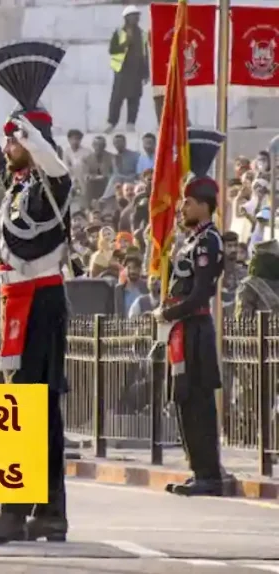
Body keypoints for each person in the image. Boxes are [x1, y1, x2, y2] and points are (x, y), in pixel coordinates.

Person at [0, 40, 73, 544]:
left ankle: (14, 511)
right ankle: (46, 512)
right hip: (17, 303)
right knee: (34, 411)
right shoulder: (19, 183)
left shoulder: (55, 181)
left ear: (33, 139)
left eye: (15, 139)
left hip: (41, 303)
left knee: (30, 410)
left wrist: (30, 125)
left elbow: (51, 160)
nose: (8, 148)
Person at [157, 129, 227, 497]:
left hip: (196, 327)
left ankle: (209, 474)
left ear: (203, 203)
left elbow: (202, 290)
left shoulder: (209, 241)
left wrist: (171, 313)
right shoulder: (191, 239)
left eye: (187, 202)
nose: (182, 208)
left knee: (199, 402)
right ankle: (197, 469)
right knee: (184, 400)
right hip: (182, 328)